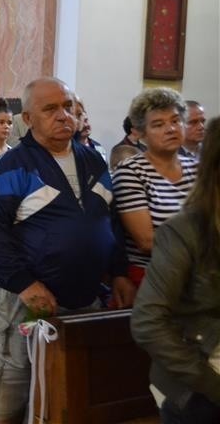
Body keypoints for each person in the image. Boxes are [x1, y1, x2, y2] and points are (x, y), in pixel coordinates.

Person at [0, 77, 135, 424]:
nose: (64, 115)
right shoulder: (13, 165)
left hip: (86, 300)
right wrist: (24, 283)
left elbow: (111, 221)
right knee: (9, 401)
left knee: (69, 396)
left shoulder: (93, 161)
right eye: (50, 109)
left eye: (68, 107)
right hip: (26, 301)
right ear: (29, 119)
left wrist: (119, 271)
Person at [131, 116, 220, 423]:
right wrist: (212, 384)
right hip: (200, 387)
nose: (171, 129)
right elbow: (148, 322)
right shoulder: (186, 231)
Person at [113, 88, 197, 287]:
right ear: (142, 133)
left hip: (200, 271)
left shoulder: (197, 168)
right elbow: (147, 241)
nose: (171, 129)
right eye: (158, 124)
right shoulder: (131, 171)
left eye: (176, 121)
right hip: (154, 275)